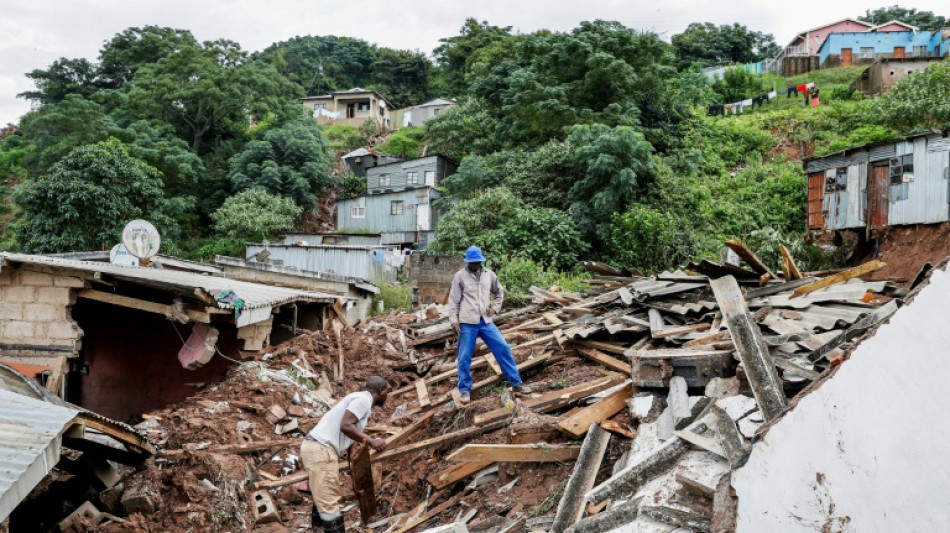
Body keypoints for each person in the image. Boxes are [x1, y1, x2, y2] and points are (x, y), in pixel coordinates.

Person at [301, 376, 389, 533]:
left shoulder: (359, 400)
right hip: (321, 449)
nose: (387, 395)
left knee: (323, 494)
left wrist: (354, 484)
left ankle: (318, 529)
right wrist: (371, 441)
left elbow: (352, 445)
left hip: (319, 449)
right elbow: (345, 425)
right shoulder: (363, 400)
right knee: (330, 502)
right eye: (387, 391)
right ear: (380, 391)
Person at [448, 246, 532, 404]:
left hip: (486, 321)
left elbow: (499, 292)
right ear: (467, 262)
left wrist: (495, 308)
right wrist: (454, 320)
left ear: (481, 260)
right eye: (472, 262)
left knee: (503, 348)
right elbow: (453, 300)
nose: (475, 265)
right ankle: (465, 391)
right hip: (467, 322)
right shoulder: (460, 276)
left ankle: (516, 383)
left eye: (477, 262)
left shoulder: (489, 275)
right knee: (464, 357)